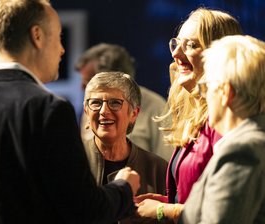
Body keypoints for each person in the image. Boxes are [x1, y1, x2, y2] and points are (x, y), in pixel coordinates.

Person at [0, 0, 141, 223]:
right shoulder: (49, 109)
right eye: (59, 37)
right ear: (37, 35)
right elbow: (85, 212)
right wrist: (124, 187)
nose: (62, 49)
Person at [137, 34, 265, 224]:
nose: (201, 94)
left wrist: (163, 210)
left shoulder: (243, 149)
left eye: (206, 87)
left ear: (225, 93)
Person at [135, 7, 243, 210]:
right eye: (176, 44)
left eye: (191, 45)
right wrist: (166, 202)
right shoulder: (197, 114)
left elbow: (229, 207)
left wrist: (162, 212)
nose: (176, 53)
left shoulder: (228, 116)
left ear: (219, 54)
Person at [83, 71, 168, 223]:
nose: (103, 111)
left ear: (134, 114)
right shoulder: (71, 163)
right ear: (86, 112)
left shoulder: (158, 169)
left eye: (115, 103)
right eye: (96, 103)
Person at [76, 43, 173, 161]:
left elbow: (165, 166)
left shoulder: (156, 107)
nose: (81, 87)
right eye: (97, 103)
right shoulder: (91, 106)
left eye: (88, 81)